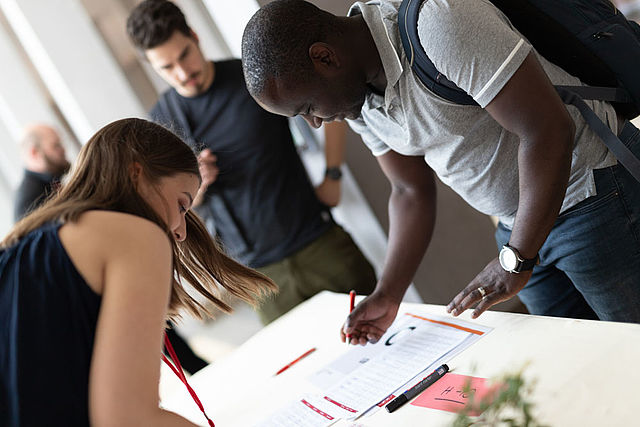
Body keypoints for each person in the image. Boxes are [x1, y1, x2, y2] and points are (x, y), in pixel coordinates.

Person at [241, 0, 640, 345]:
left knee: (630, 349)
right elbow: (409, 191)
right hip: (521, 228)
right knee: (578, 360)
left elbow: (548, 130)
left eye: (306, 108)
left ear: (325, 57)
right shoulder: (357, 98)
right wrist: (388, 293)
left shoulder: (437, 23)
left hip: (594, 194)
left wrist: (515, 259)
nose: (315, 122)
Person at [0, 118, 276, 426]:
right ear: (136, 174)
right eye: (182, 206)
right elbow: (130, 418)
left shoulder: (20, 245)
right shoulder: (134, 234)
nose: (181, 230)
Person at [126, 0, 376, 329]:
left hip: (319, 243)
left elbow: (329, 96)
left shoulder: (252, 77)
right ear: (152, 67)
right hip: (259, 277)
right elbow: (167, 207)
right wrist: (195, 189)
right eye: (167, 67)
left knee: (387, 335)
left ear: (194, 36)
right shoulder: (159, 123)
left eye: (184, 54)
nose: (183, 73)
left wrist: (332, 175)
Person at [14, 123, 71, 221]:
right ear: (34, 152)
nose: (63, 150)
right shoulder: (31, 202)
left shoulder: (52, 181)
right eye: (56, 146)